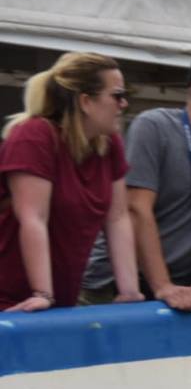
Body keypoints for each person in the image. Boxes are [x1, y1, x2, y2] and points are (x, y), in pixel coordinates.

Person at [82, 46, 191, 311]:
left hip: (182, 285)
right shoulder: (154, 126)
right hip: (117, 283)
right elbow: (137, 209)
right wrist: (162, 285)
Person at [0, 53, 141, 310]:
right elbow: (33, 218)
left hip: (58, 301)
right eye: (117, 95)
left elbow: (118, 217)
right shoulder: (33, 136)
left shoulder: (108, 144)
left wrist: (129, 291)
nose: (124, 104)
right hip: (10, 298)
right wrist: (43, 294)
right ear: (86, 101)